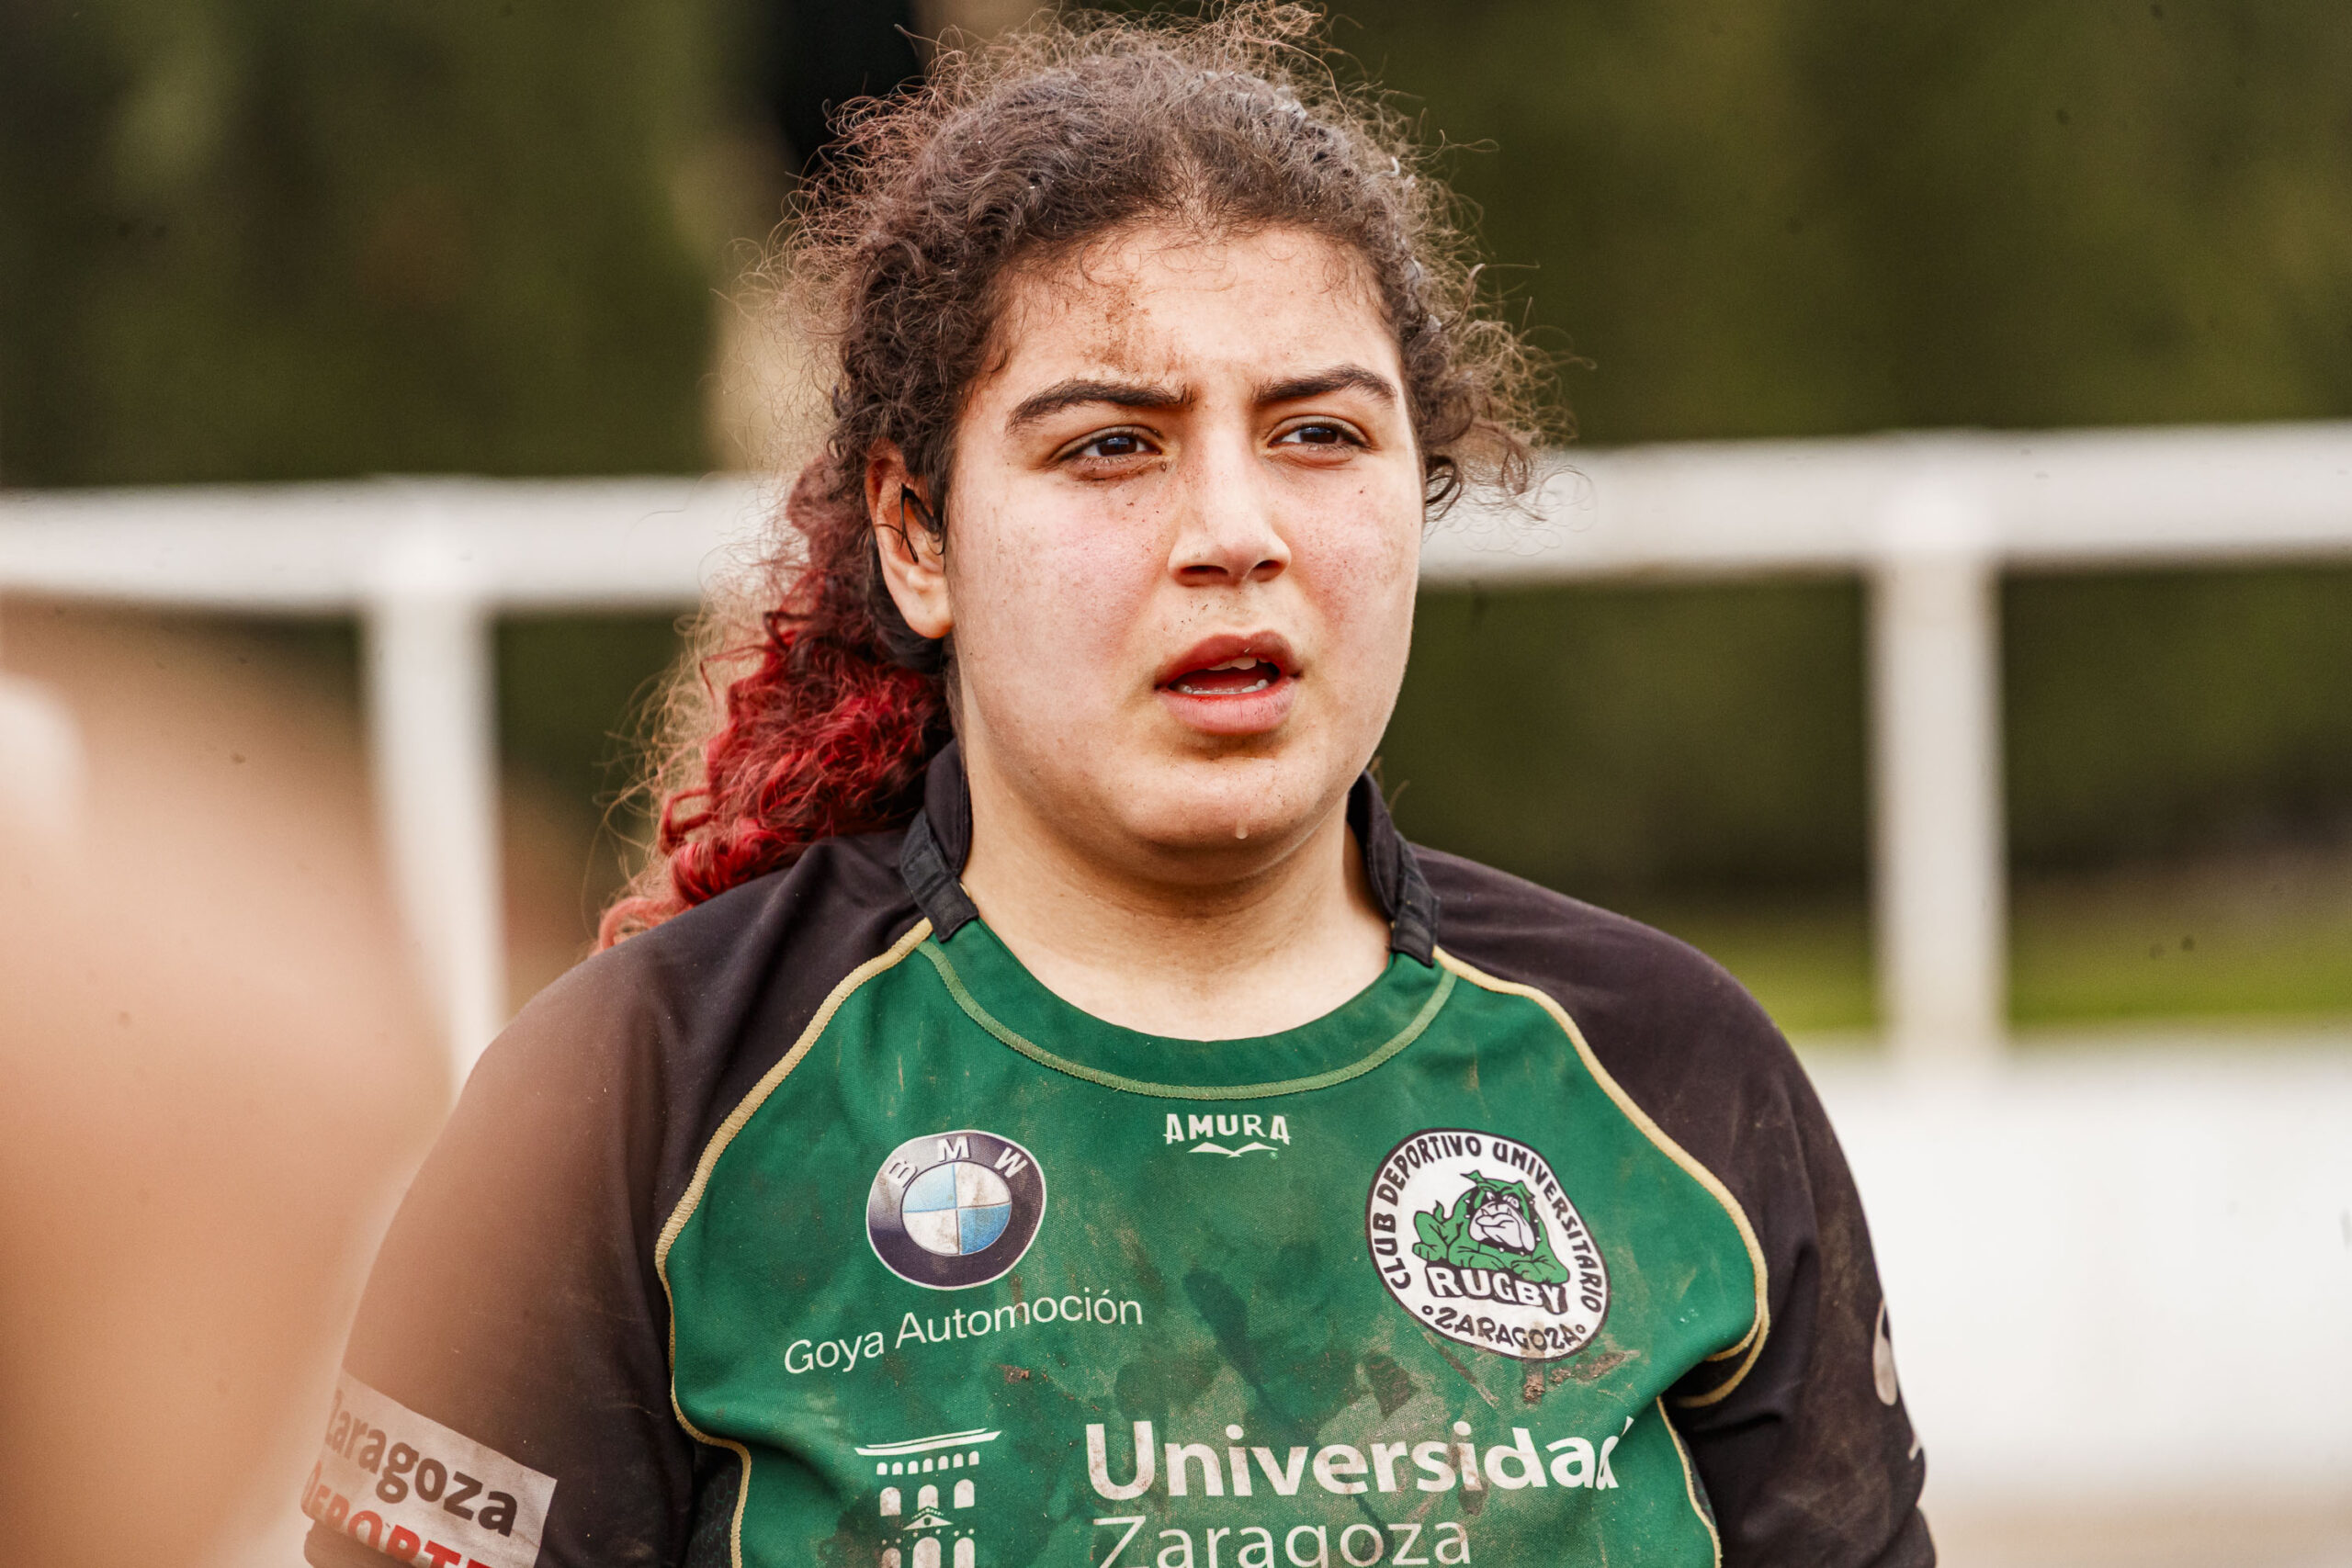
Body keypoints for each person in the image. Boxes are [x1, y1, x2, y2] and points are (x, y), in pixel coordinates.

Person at [299, 8, 1931, 1566]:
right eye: (1111, 446)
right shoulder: (631, 1102)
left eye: (1318, 435)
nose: (1236, 529)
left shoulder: (1677, 1077)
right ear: (917, 536)